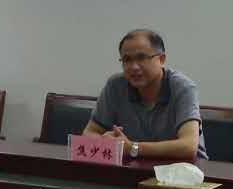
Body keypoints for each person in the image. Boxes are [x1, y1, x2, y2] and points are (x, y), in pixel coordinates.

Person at [82, 28, 207, 161]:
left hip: (184, 170)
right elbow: (89, 133)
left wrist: (132, 148)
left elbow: (188, 147)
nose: (134, 67)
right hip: (134, 167)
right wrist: (106, 141)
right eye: (127, 60)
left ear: (161, 59)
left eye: (141, 58)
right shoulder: (116, 86)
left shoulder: (182, 87)